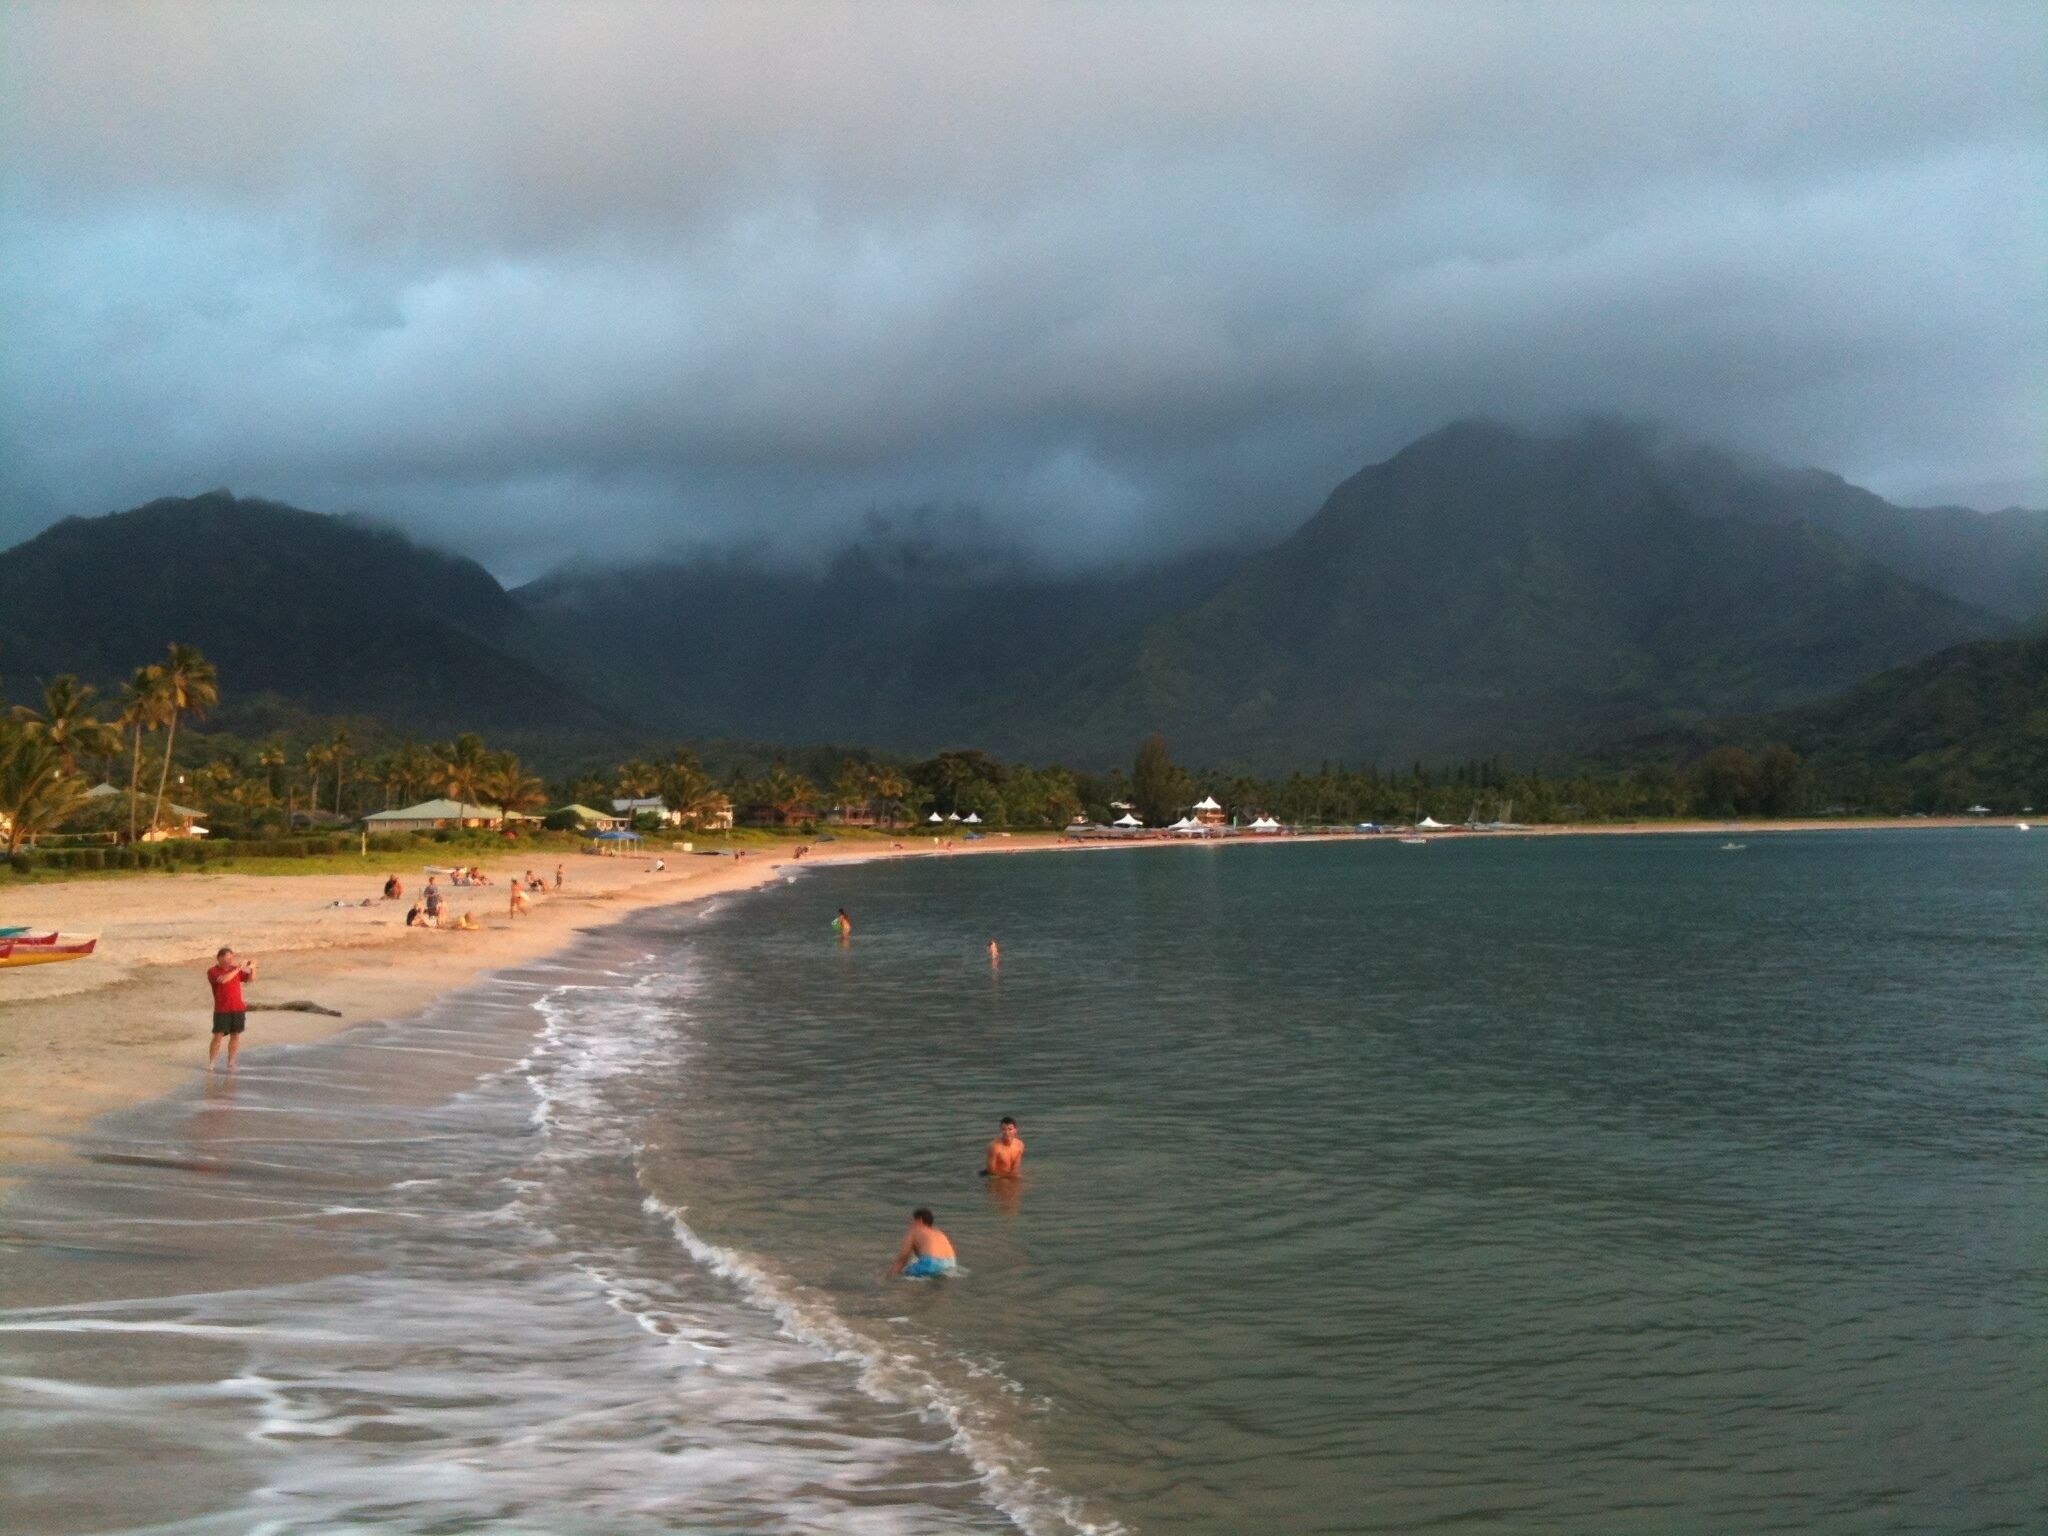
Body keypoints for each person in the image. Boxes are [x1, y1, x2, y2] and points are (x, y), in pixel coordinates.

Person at [206, 946, 256, 1072]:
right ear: (219, 958)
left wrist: (253, 968)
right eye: (227, 958)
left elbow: (250, 980)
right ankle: (212, 1063)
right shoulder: (213, 971)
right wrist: (239, 968)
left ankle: (231, 1062)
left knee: (236, 1035)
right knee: (218, 1036)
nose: (230, 960)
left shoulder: (235, 969)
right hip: (222, 1009)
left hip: (238, 1007)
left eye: (231, 958)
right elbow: (223, 980)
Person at [889, 1208, 957, 1278]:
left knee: (901, 1275)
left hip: (930, 1264)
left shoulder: (915, 1231)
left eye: (912, 1220)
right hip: (950, 1264)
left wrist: (888, 1276)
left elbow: (903, 1259)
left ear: (919, 1220)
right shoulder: (939, 1233)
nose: (910, 1223)